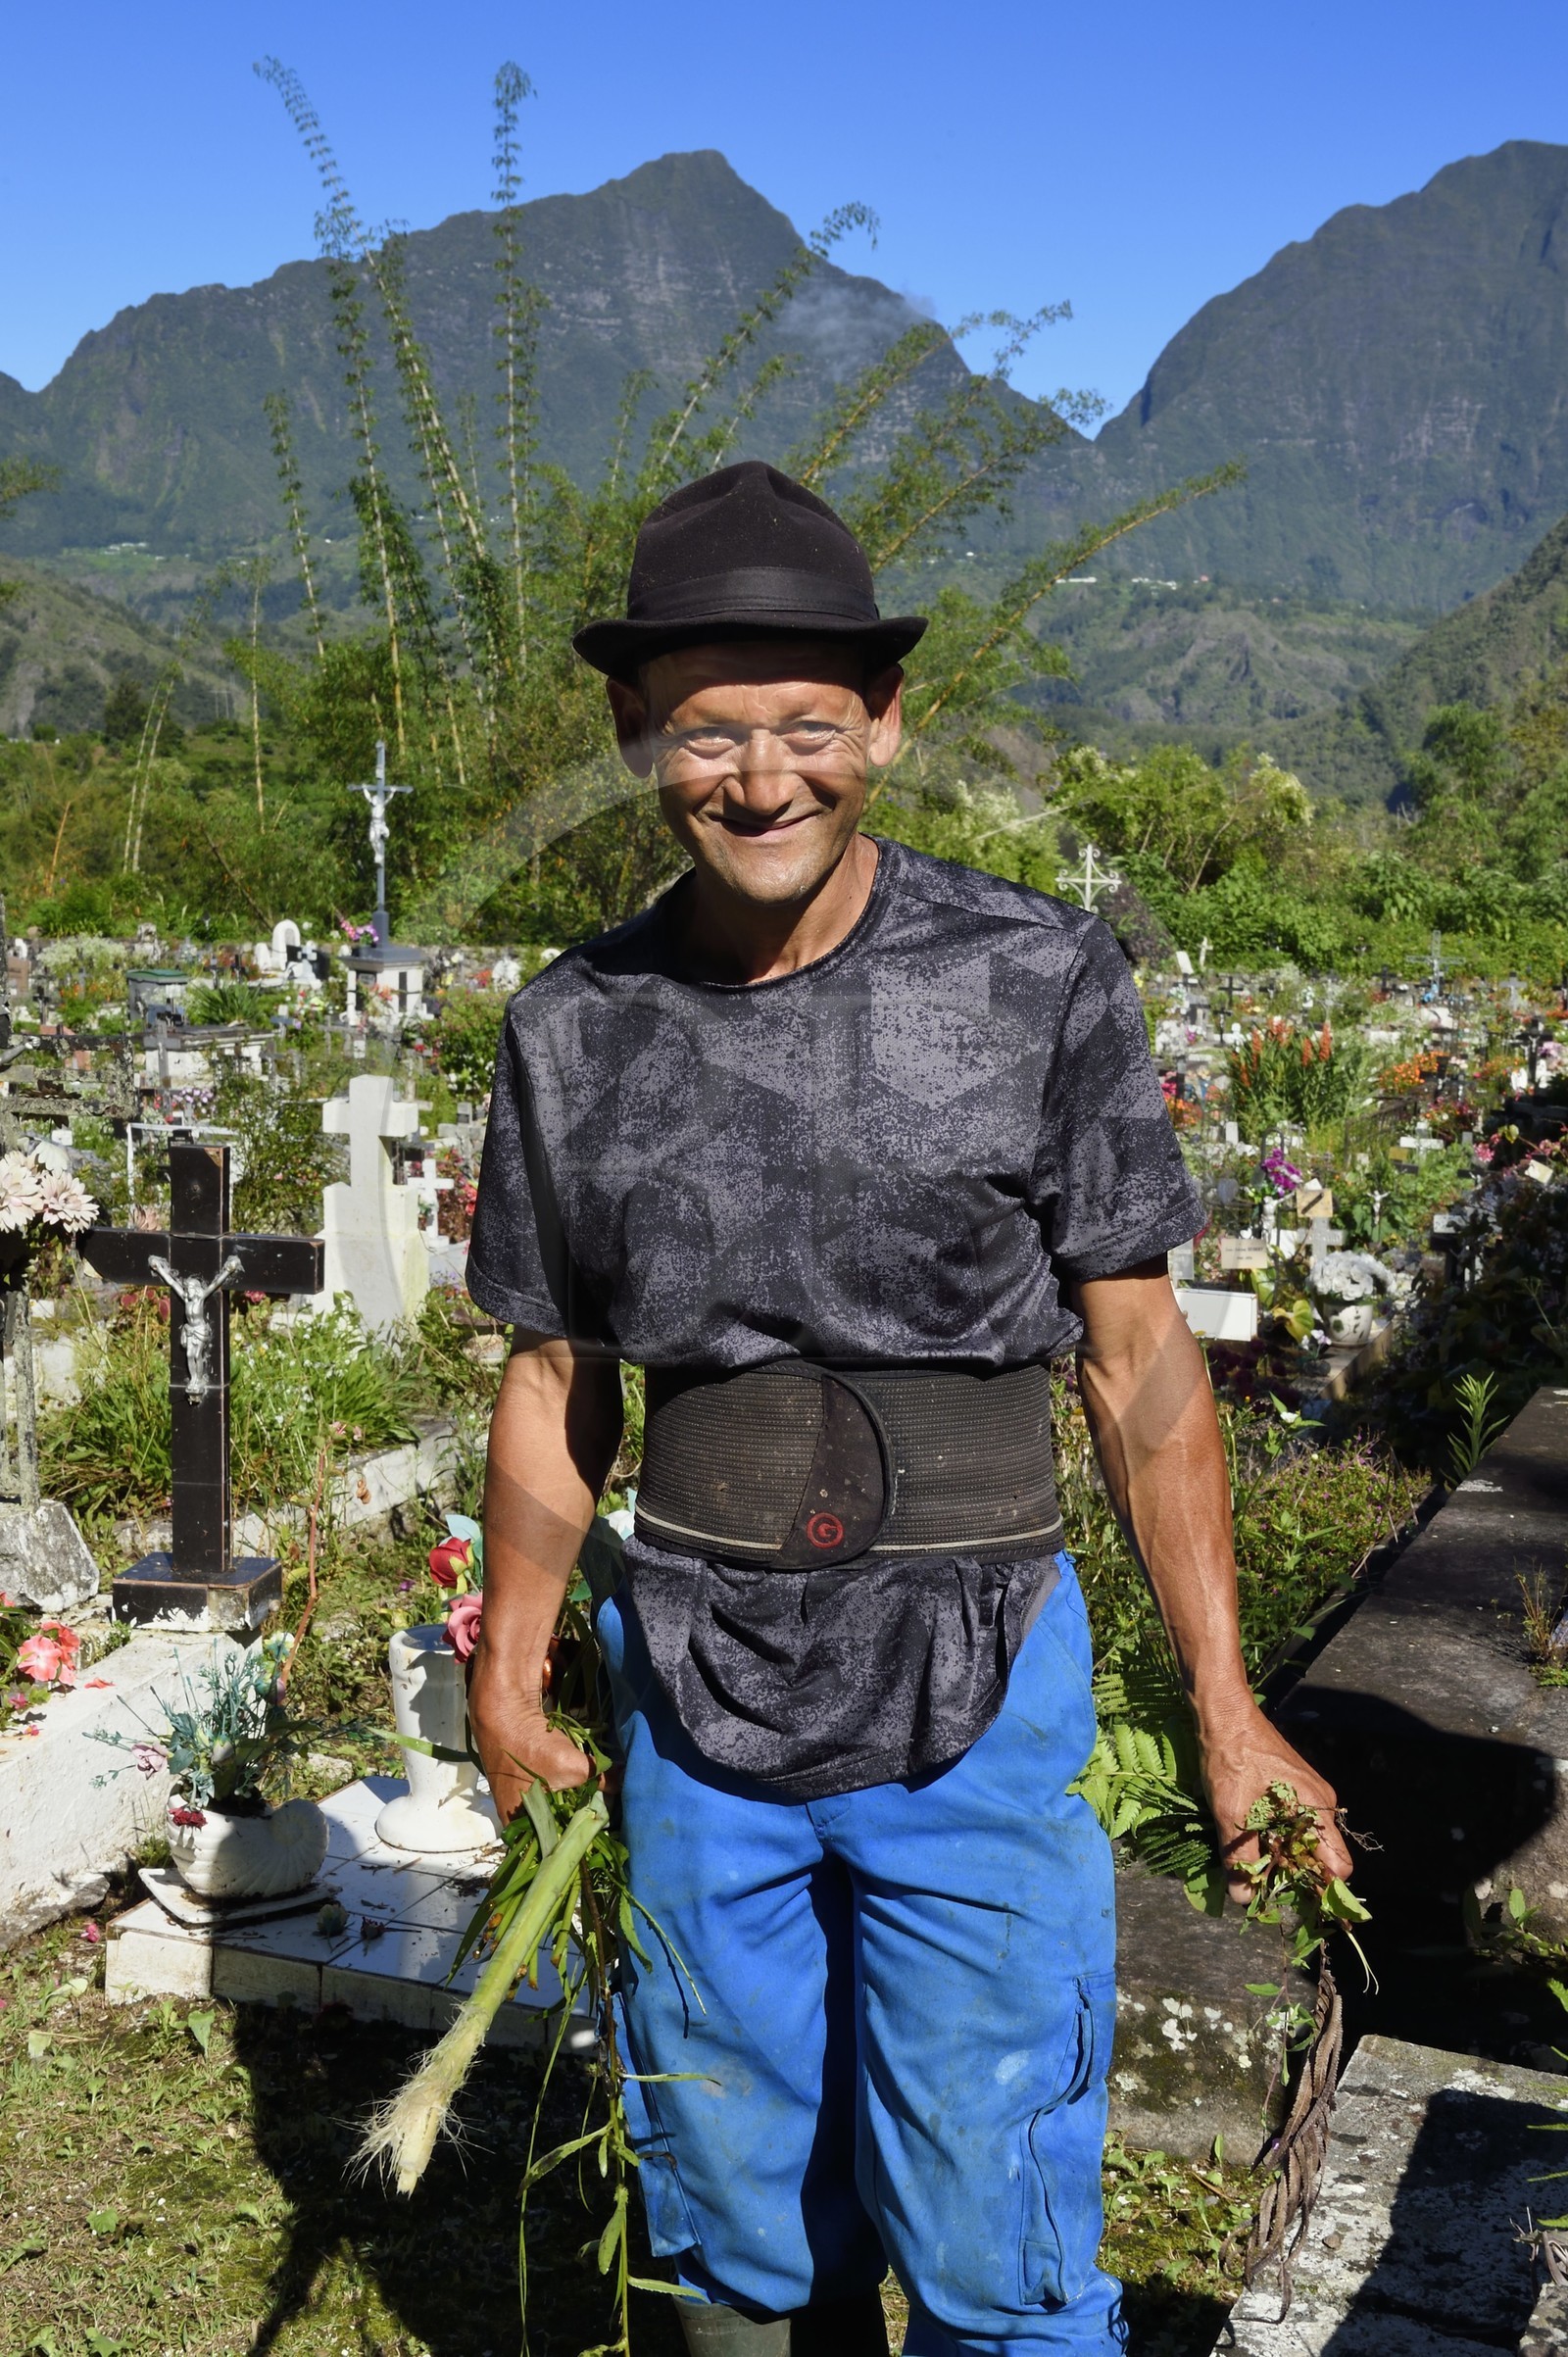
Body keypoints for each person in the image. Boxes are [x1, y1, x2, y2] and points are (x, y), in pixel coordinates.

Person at [466, 461, 1348, 2356]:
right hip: (695, 1680)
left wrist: (1227, 1700)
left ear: (885, 720)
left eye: (807, 724)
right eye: (710, 732)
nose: (762, 777)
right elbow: (555, 1373)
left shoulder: (1033, 978)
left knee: (992, 2214)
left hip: (983, 1670)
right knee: (727, 2213)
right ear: (637, 734)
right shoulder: (574, 1027)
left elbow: (1141, 1364)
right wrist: (511, 1661)